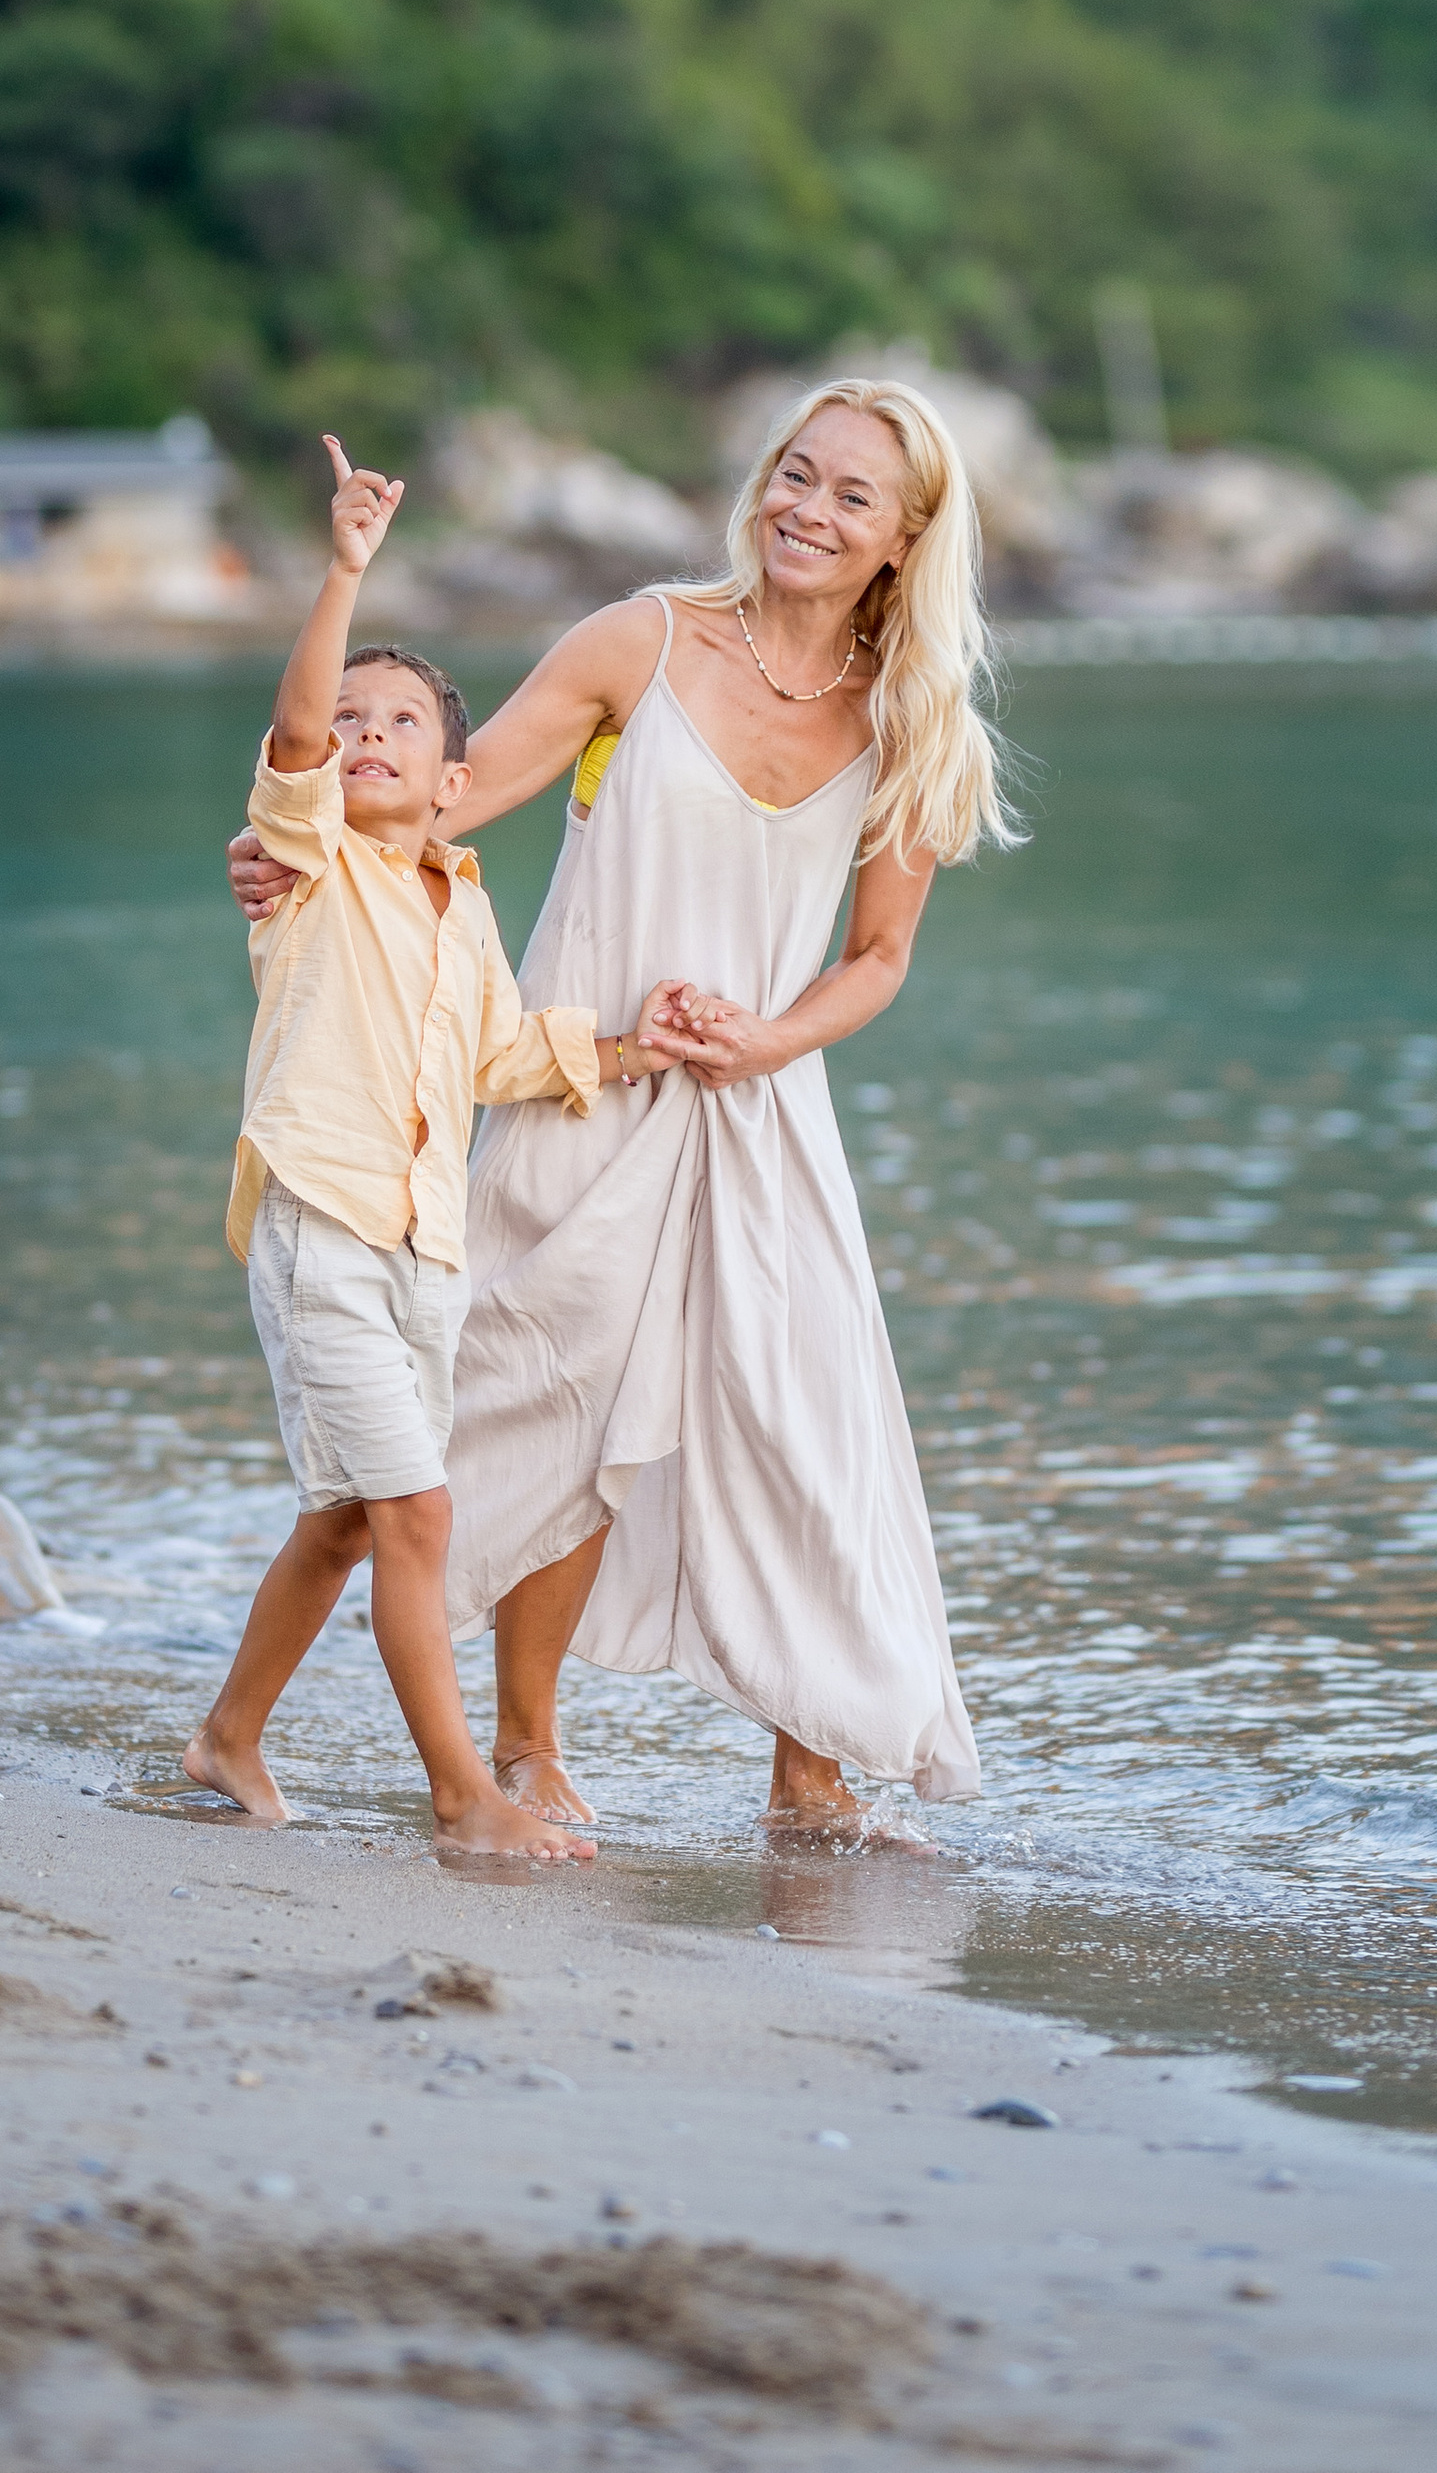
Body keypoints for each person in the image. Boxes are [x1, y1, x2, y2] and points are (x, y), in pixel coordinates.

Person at [230, 377, 1018, 1835]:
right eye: (796, 473)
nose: (808, 509)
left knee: (803, 1426)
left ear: (904, 542)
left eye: (852, 496)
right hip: (580, 1082)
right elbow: (443, 800)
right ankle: (522, 1749)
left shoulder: (911, 719)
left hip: (765, 1111)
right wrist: (300, 845)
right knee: (548, 1408)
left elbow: (882, 958)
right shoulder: (639, 641)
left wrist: (771, 1040)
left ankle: (811, 1763)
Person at [187, 433, 690, 1857]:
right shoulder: (302, 863)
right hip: (321, 1227)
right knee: (415, 1513)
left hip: (422, 1251)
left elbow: (497, 1057)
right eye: (351, 722)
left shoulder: (459, 903)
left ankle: (228, 1738)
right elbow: (292, 736)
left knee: (350, 1520)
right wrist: (345, 569)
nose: (366, 738)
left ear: (455, 773)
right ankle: (465, 1796)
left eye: (400, 723)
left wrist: (639, 1039)